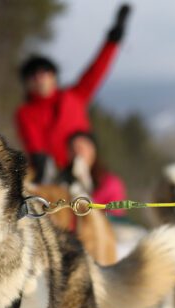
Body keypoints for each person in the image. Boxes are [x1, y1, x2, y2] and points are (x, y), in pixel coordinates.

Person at [16, 4, 131, 181]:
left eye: (45, 72)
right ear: (27, 83)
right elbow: (35, 147)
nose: (40, 78)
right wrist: (44, 165)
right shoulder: (26, 113)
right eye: (33, 75)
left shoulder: (75, 96)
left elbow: (97, 70)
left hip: (88, 172)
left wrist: (113, 39)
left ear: (54, 76)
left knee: (112, 189)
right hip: (51, 177)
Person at [66, 132, 127, 217]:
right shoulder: (62, 179)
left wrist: (84, 183)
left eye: (80, 149)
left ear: (93, 151)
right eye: (72, 149)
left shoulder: (111, 182)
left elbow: (115, 215)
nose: (77, 153)